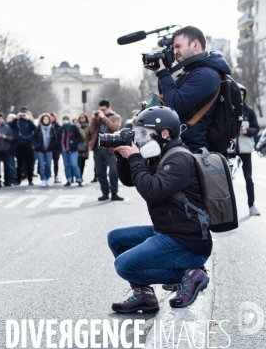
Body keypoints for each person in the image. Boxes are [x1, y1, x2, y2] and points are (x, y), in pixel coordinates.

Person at [108, 106, 211, 313]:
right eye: (138, 133)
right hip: (167, 231)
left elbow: (152, 191)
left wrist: (135, 158)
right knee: (116, 238)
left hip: (188, 242)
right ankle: (144, 296)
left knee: (125, 266)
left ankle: (189, 275)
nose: (140, 138)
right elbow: (130, 180)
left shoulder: (179, 159)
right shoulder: (159, 154)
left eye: (144, 133)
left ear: (165, 133)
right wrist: (123, 157)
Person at [154, 26, 232, 154]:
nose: (174, 52)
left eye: (178, 46)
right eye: (173, 48)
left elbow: (177, 104)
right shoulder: (191, 72)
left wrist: (163, 74)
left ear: (195, 45)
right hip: (181, 146)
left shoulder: (206, 74)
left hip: (193, 150)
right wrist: (164, 71)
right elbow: (166, 98)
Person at [89, 99, 123, 201]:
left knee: (113, 170)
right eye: (100, 110)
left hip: (110, 148)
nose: (102, 112)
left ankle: (114, 192)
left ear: (109, 108)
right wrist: (94, 119)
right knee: (100, 171)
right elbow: (91, 130)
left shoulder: (116, 117)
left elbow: (115, 128)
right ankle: (105, 192)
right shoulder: (98, 118)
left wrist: (104, 118)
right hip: (97, 146)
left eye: (104, 109)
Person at [236, 84, 260, 216]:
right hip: (230, 151)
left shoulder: (249, 111)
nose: (240, 96)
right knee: (226, 181)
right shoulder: (227, 109)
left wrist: (246, 131)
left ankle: (252, 206)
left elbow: (256, 129)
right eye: (238, 94)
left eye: (242, 94)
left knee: (248, 179)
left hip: (245, 150)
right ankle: (227, 210)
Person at [9, 107, 36, 185]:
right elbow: (10, 125)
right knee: (19, 163)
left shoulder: (29, 122)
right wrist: (16, 118)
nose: (23, 115)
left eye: (25, 113)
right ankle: (18, 179)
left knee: (29, 163)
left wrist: (29, 119)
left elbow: (34, 128)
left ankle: (30, 179)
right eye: (22, 113)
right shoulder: (17, 121)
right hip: (18, 144)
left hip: (28, 144)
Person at [33, 113, 58, 187]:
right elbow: (33, 138)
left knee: (48, 165)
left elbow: (55, 139)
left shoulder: (52, 128)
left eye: (47, 119)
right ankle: (42, 179)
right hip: (40, 150)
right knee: (41, 165)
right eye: (44, 119)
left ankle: (47, 179)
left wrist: (52, 146)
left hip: (49, 150)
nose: (46, 120)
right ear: (42, 120)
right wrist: (36, 145)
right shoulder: (38, 128)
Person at [60, 115, 83, 186]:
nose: (65, 121)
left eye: (66, 120)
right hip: (64, 149)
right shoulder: (61, 129)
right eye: (64, 120)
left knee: (74, 164)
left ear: (68, 120)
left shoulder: (73, 128)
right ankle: (68, 179)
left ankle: (78, 179)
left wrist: (74, 143)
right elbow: (59, 138)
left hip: (73, 149)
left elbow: (79, 137)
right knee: (66, 165)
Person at [77, 113, 91, 181]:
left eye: (83, 117)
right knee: (77, 162)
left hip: (85, 147)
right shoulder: (77, 126)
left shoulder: (88, 127)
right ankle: (78, 176)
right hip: (77, 146)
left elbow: (90, 136)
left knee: (82, 162)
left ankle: (80, 176)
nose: (82, 119)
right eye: (81, 117)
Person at [50, 113, 62, 184]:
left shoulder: (59, 127)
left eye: (53, 117)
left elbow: (59, 137)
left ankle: (56, 175)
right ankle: (48, 175)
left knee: (55, 162)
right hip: (48, 147)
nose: (52, 118)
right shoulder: (47, 126)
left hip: (56, 147)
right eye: (51, 117)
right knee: (47, 163)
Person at [6, 113, 18, 184]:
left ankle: (12, 178)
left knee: (11, 165)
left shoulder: (13, 126)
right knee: (9, 165)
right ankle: (9, 178)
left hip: (11, 148)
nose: (7, 119)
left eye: (8, 118)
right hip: (6, 148)